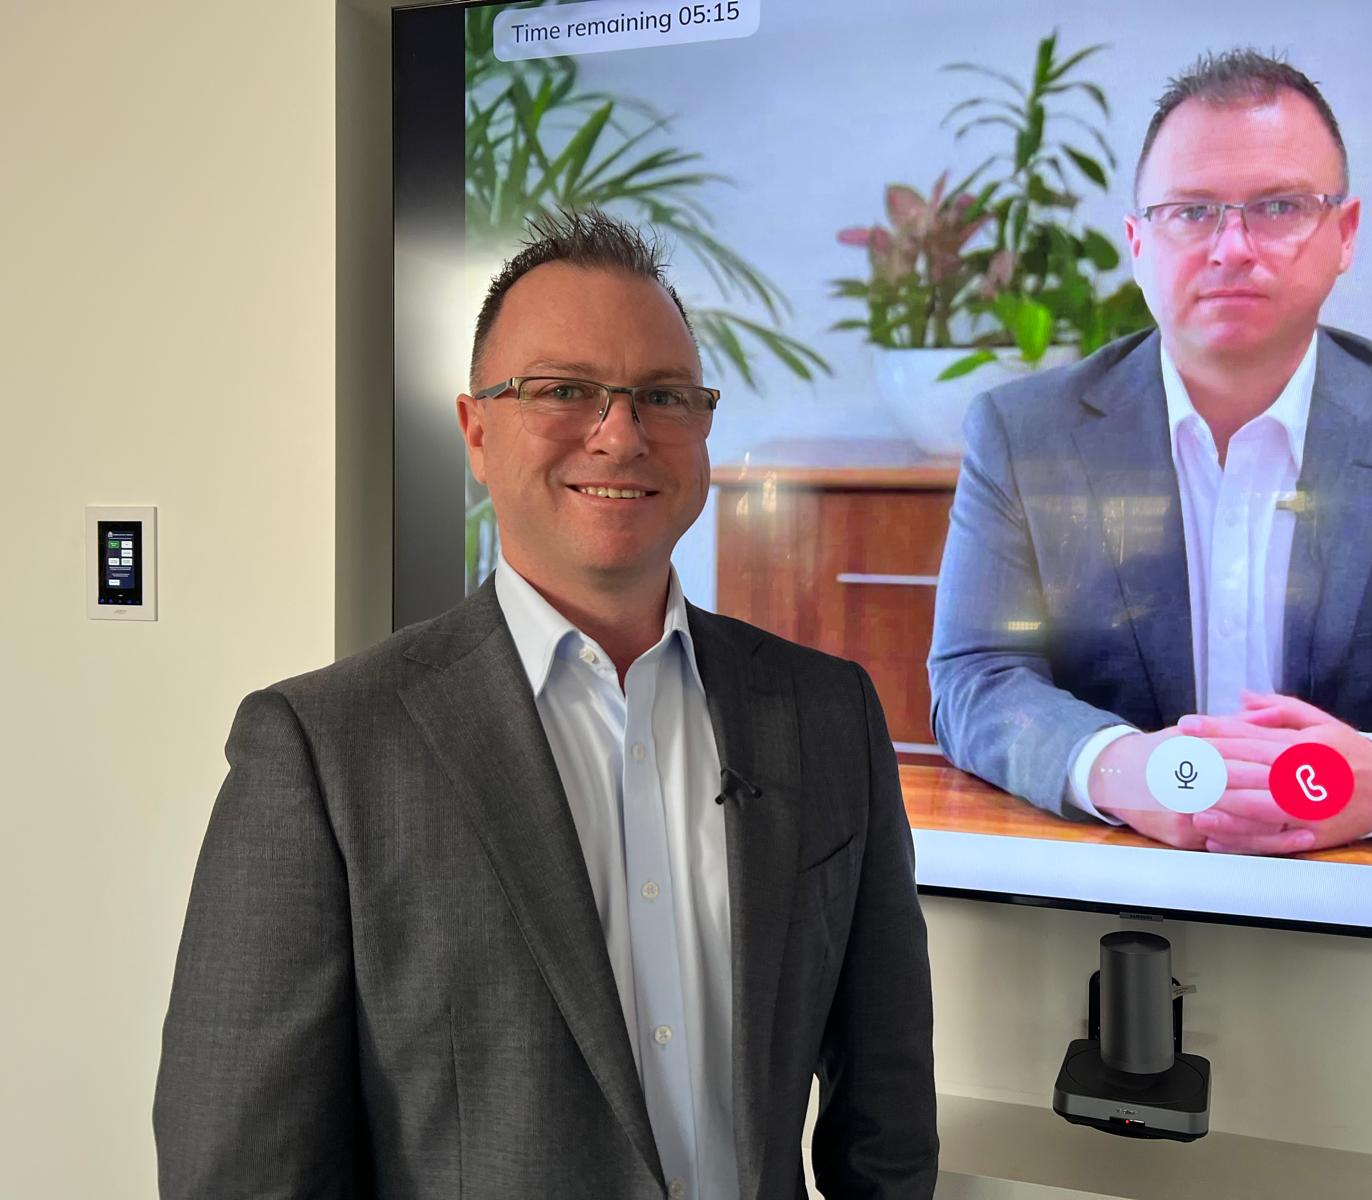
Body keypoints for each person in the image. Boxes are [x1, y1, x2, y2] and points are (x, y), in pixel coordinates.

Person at [154, 210, 938, 1198]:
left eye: (662, 396)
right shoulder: (322, 754)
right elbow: (244, 1175)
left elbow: (888, 1104)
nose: (620, 433)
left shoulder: (827, 716)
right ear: (477, 432)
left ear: (702, 430)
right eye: (562, 390)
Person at [928, 49, 1372, 856]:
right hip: (1120, 883)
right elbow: (978, 678)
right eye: (1191, 211)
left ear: (1344, 234)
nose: (1233, 247)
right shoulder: (1023, 432)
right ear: (1138, 242)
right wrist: (1118, 768)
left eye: (1279, 207)